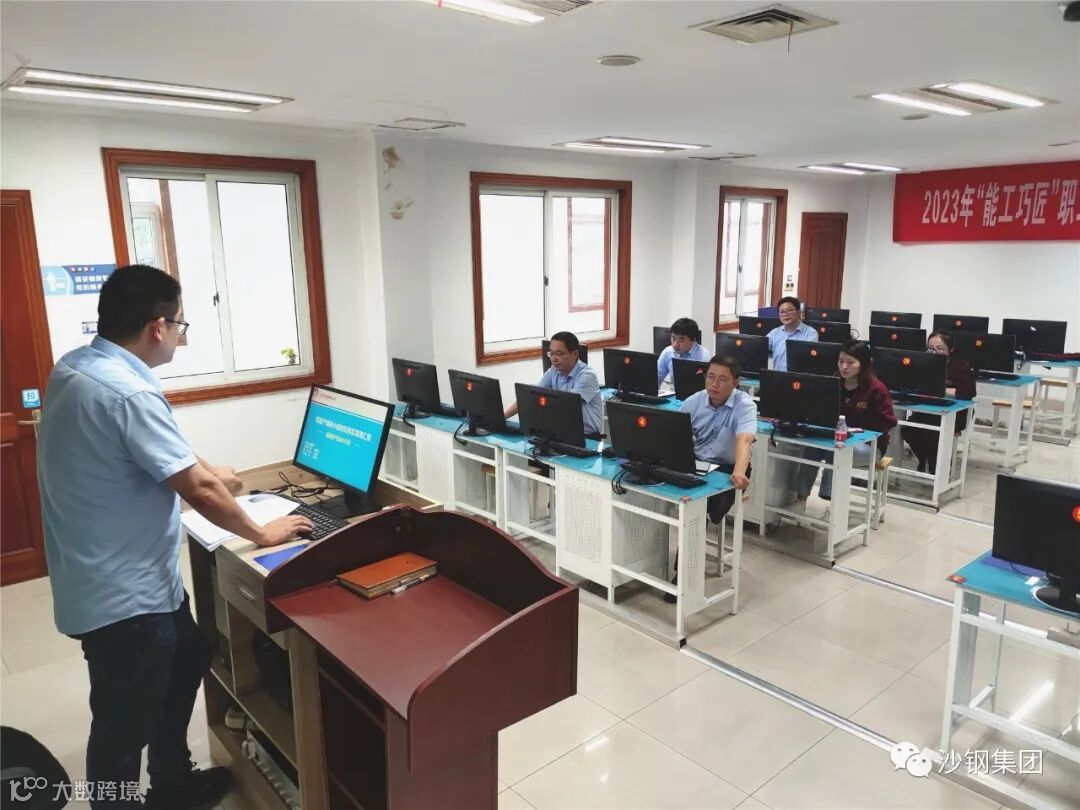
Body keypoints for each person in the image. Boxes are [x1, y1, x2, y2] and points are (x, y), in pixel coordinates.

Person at [37, 265, 313, 810]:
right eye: (181, 325)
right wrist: (261, 531)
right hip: (125, 599)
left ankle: (172, 781)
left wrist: (212, 473)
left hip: (106, 575)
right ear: (157, 327)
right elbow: (199, 492)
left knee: (189, 657)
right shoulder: (128, 392)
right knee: (121, 728)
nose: (181, 337)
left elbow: (166, 453)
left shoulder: (78, 366)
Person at [665, 356, 756, 602]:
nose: (714, 384)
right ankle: (677, 567)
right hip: (696, 464)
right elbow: (676, 435)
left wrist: (739, 470)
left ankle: (683, 577)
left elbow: (745, 439)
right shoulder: (694, 401)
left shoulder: (745, 405)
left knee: (698, 511)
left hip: (727, 467)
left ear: (735, 383)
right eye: (710, 377)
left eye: (722, 379)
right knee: (687, 506)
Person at [794, 340, 897, 506]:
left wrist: (858, 429)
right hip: (835, 438)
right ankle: (801, 499)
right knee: (811, 449)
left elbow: (888, 422)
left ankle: (833, 501)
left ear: (863, 364)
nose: (844, 367)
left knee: (836, 451)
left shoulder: (877, 389)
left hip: (869, 446)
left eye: (850, 362)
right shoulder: (834, 381)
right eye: (841, 361)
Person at [901, 330, 977, 474]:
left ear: (951, 349)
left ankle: (937, 468)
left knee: (931, 433)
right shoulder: (923, 363)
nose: (934, 352)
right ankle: (924, 460)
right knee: (908, 429)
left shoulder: (961, 366)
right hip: (928, 410)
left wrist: (940, 390)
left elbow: (968, 392)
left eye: (940, 349)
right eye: (930, 348)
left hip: (955, 413)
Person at [505, 331, 602, 436]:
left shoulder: (588, 375)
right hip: (560, 432)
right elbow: (531, 394)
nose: (554, 359)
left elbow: (568, 404)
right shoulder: (553, 371)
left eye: (559, 354)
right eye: (551, 353)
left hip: (586, 436)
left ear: (574, 354)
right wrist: (503, 417)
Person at [767, 296, 818, 372]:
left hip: (798, 377)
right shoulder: (774, 333)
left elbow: (808, 360)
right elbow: (761, 348)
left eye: (789, 310)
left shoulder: (810, 333)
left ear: (799, 312)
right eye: (782, 312)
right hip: (777, 376)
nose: (785, 314)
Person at [656, 317, 710, 389]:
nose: (675, 344)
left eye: (681, 340)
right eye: (673, 338)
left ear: (693, 340)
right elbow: (657, 378)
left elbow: (706, 388)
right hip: (674, 394)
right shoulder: (668, 352)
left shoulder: (703, 357)